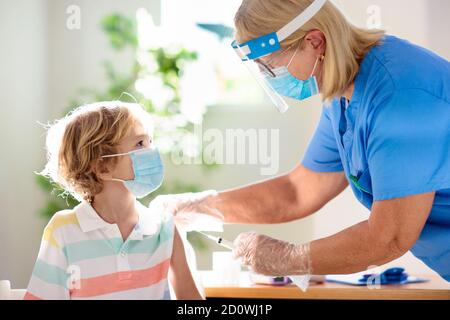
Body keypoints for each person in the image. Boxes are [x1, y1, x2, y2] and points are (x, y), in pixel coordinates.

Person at [168, 0, 450, 282]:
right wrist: (201, 206)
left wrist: (289, 258)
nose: (268, 78)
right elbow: (298, 191)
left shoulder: (402, 95)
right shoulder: (342, 94)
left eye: (270, 66)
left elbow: (389, 238)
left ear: (314, 42)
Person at [24, 102, 203, 299]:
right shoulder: (63, 231)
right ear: (103, 167)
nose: (152, 151)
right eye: (140, 144)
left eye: (150, 141)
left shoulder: (166, 229)